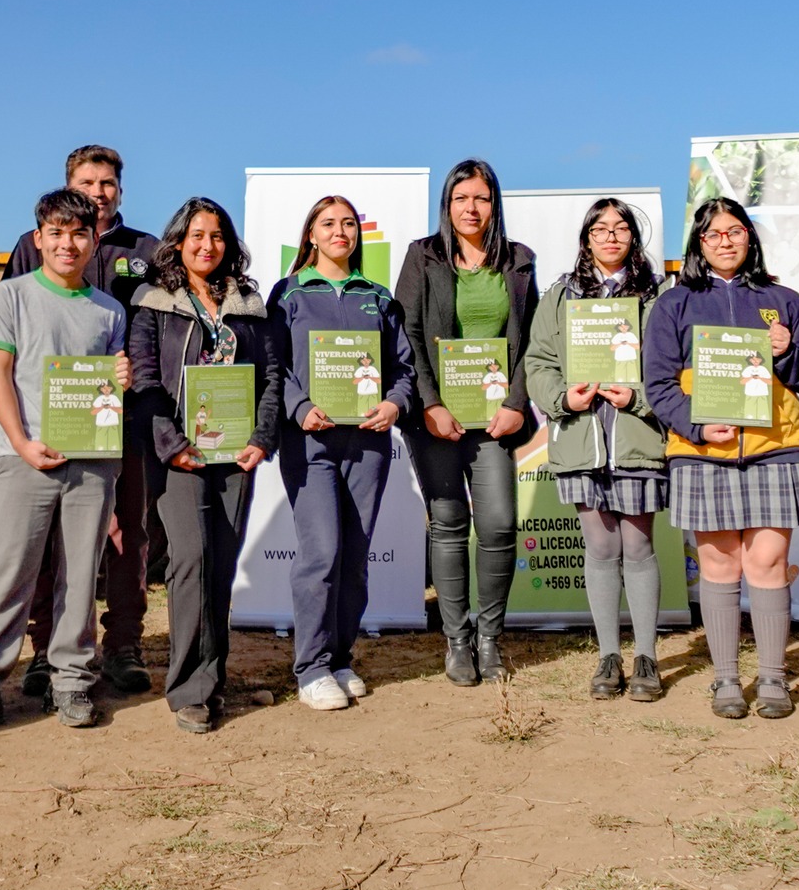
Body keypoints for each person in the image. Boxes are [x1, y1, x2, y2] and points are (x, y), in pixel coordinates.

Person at [0, 189, 130, 738]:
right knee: (6, 573)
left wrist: (122, 382)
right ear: (38, 237)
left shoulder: (109, 310)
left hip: (92, 460)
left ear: (95, 240)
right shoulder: (11, 297)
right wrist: (20, 445)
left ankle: (71, 679)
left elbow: (108, 389)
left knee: (79, 574)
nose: (68, 244)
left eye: (79, 234)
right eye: (57, 233)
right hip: (24, 459)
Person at [643, 198, 799, 722]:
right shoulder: (673, 305)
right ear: (699, 244)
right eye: (714, 233)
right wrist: (697, 426)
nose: (725, 241)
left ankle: (771, 678)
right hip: (702, 451)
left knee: (765, 564)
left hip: (775, 447)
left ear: (750, 238)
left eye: (736, 231)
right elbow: (657, 384)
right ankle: (725, 679)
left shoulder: (783, 299)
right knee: (719, 564)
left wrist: (787, 351)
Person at [4, 146, 160, 699]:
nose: (99, 190)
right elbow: (15, 330)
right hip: (51, 419)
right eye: (88, 181)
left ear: (121, 189)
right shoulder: (31, 244)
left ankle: (123, 647)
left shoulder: (146, 250)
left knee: (129, 537)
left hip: (128, 418)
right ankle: (46, 651)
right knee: (48, 540)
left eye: (108, 182)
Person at [127, 198, 283, 733]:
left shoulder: (249, 304)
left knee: (220, 564)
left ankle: (212, 679)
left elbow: (272, 379)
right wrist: (171, 444)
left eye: (217, 236)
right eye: (196, 235)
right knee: (190, 560)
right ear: (177, 242)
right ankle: (187, 688)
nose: (207, 246)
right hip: (181, 457)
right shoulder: (153, 303)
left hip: (237, 455)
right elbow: (145, 382)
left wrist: (263, 438)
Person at [394, 161, 538, 686]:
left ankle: (490, 636)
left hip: (495, 419)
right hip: (437, 418)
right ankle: (457, 640)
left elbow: (532, 341)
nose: (470, 209)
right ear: (446, 205)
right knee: (449, 521)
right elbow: (406, 332)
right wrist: (430, 403)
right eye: (460, 199)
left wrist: (517, 403)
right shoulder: (422, 255)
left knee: (499, 523)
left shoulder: (519, 261)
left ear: (494, 203)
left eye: (480, 198)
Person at [269, 196, 415, 711]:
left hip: (368, 444)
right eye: (328, 223)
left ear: (359, 235)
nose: (339, 232)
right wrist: (299, 405)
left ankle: (339, 656)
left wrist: (395, 405)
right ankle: (310, 668)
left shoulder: (377, 296)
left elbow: (403, 369)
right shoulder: (288, 294)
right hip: (311, 441)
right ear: (310, 233)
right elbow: (273, 366)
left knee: (354, 559)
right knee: (321, 554)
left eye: (348, 224)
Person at [524, 198, 669, 704]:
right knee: (602, 550)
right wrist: (564, 398)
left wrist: (640, 399)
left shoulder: (657, 295)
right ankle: (609, 655)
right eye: (600, 228)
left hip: (635, 438)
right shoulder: (561, 296)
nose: (611, 236)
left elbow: (673, 364)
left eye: (621, 227)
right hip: (582, 442)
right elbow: (538, 361)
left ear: (633, 236)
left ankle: (647, 656)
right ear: (586, 238)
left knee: (639, 548)